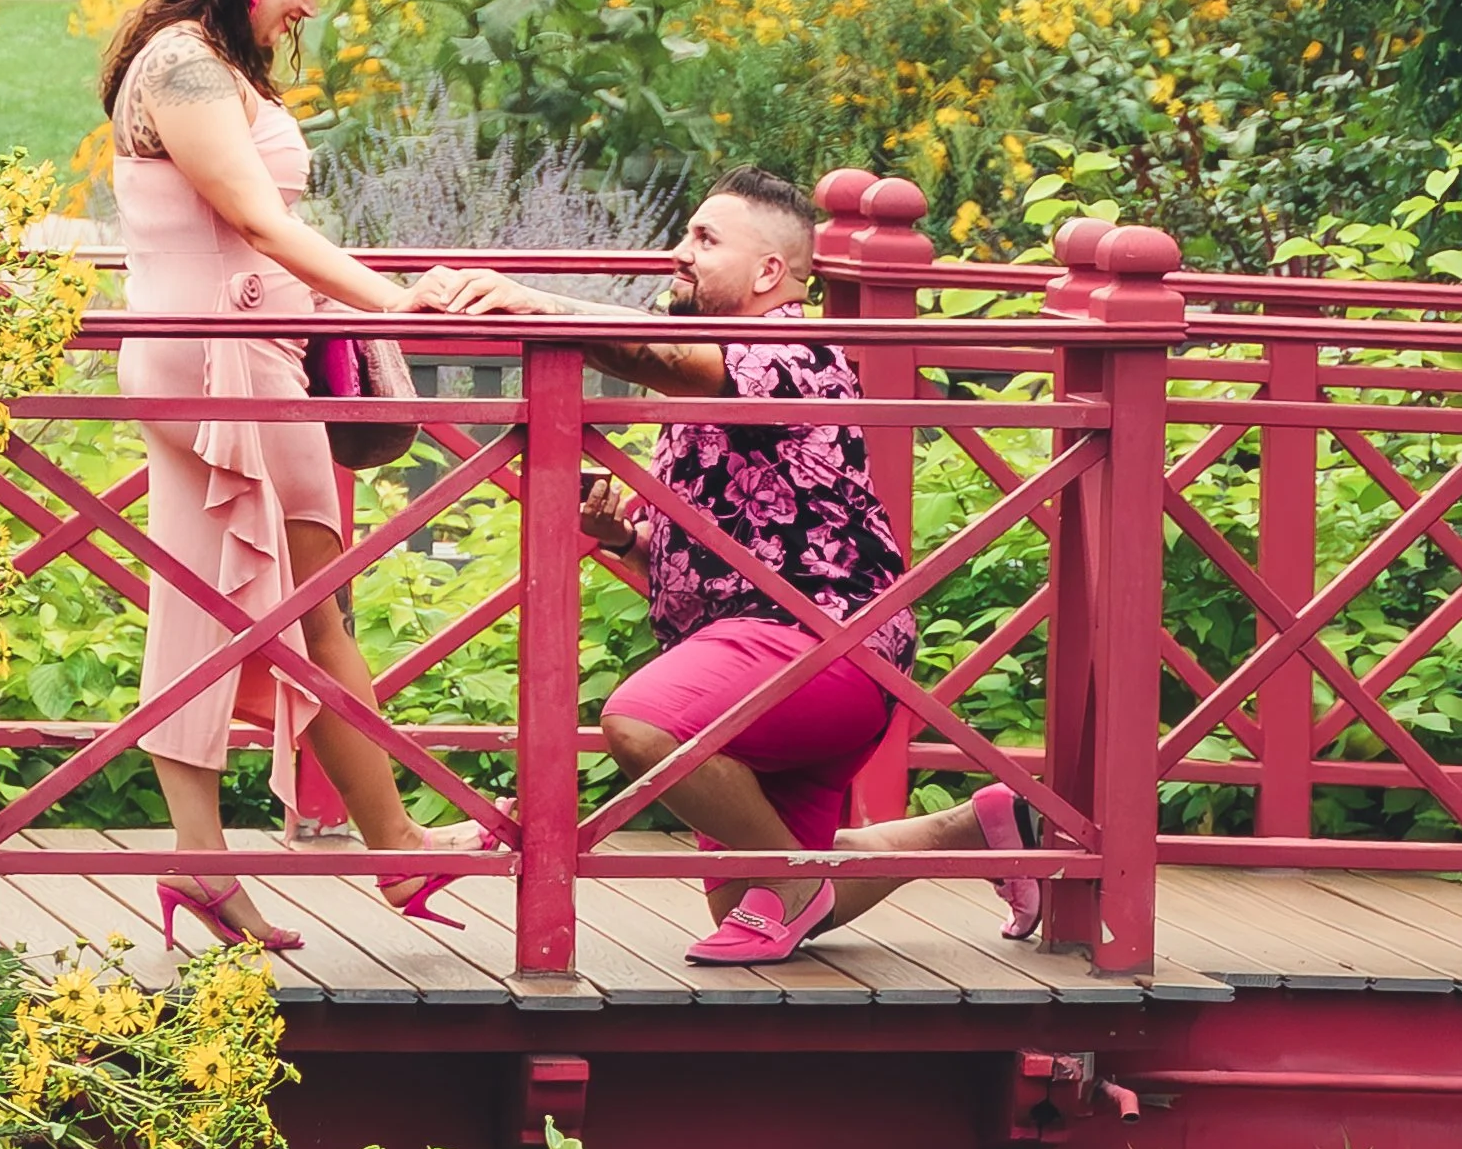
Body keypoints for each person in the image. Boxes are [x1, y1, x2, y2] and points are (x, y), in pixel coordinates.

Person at [419, 166, 1041, 958]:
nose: (679, 254)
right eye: (684, 234)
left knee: (643, 725)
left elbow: (662, 359)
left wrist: (541, 304)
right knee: (751, 901)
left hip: (826, 645)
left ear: (770, 273)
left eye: (705, 240)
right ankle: (973, 831)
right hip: (755, 656)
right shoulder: (712, 378)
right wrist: (624, 540)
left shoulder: (795, 346)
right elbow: (705, 559)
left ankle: (789, 882)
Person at [102, 0, 475, 953]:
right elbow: (257, 223)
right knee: (311, 602)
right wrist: (389, 301)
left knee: (226, 603)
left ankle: (208, 867)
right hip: (221, 364)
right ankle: (392, 841)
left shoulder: (201, 64)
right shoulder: (180, 65)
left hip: (238, 357)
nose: (309, 7)